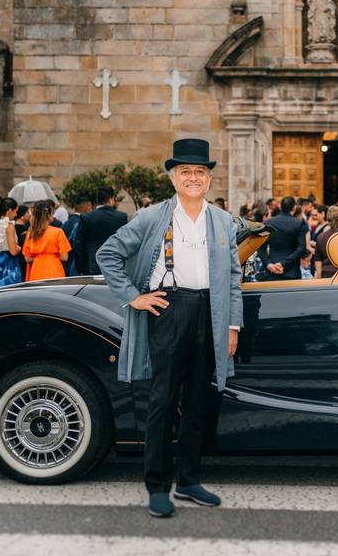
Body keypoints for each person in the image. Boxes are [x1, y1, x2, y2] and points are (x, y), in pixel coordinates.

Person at [96, 138, 241, 518]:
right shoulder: (151, 216)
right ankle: (157, 484)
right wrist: (134, 296)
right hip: (169, 309)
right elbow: (107, 253)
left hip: (210, 311)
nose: (193, 178)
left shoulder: (223, 220)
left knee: (198, 400)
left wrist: (232, 326)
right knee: (161, 400)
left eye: (200, 172)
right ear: (173, 177)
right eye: (186, 172)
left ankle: (189, 481)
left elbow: (234, 278)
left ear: (209, 179)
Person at [74, 187, 128, 275]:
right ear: (111, 199)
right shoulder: (121, 217)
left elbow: (79, 245)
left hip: (92, 266)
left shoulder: (87, 217)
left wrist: (80, 268)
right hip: (115, 265)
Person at [22, 202, 71, 281]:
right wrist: (52, 256)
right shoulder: (58, 232)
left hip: (36, 269)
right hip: (55, 268)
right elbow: (64, 257)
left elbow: (27, 258)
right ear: (49, 215)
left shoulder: (31, 233)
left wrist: (39, 257)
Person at [262, 196, 308, 280]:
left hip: (272, 270)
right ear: (294, 207)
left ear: (280, 207)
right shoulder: (298, 223)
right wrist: (283, 264)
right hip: (291, 271)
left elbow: (261, 248)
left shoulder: (268, 223)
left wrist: (269, 264)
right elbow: (301, 249)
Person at [62, 196, 92, 276]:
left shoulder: (66, 223)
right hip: (76, 264)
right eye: (90, 207)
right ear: (86, 206)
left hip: (66, 263)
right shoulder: (81, 223)